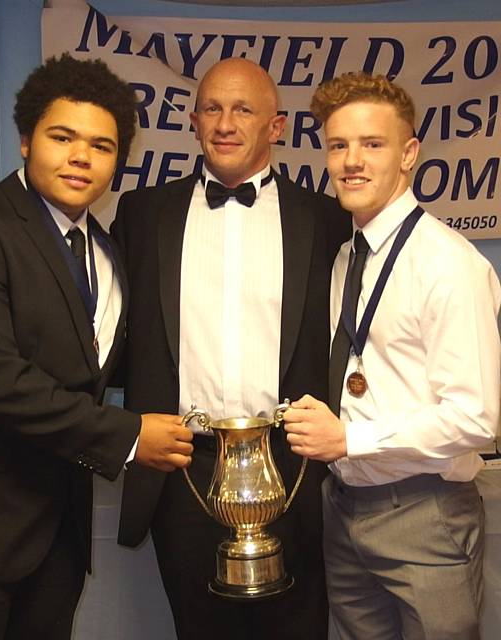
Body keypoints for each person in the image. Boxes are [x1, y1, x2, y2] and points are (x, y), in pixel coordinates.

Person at [0, 53, 192, 640]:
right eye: (62, 137)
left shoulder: (108, 252)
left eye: (102, 145)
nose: (81, 157)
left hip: (55, 539)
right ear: (24, 140)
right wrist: (133, 436)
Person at [112, 57, 350, 640]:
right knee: (199, 628)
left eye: (243, 109)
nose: (225, 122)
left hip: (293, 463)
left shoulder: (326, 218)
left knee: (299, 629)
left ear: (276, 126)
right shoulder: (141, 215)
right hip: (185, 463)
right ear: (193, 121)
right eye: (212, 108)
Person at [283, 71, 501, 640]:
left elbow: (475, 418)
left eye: (372, 144)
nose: (351, 161)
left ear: (409, 155)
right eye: (338, 145)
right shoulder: (344, 260)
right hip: (345, 507)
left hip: (425, 513)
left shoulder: (448, 265)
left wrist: (350, 440)